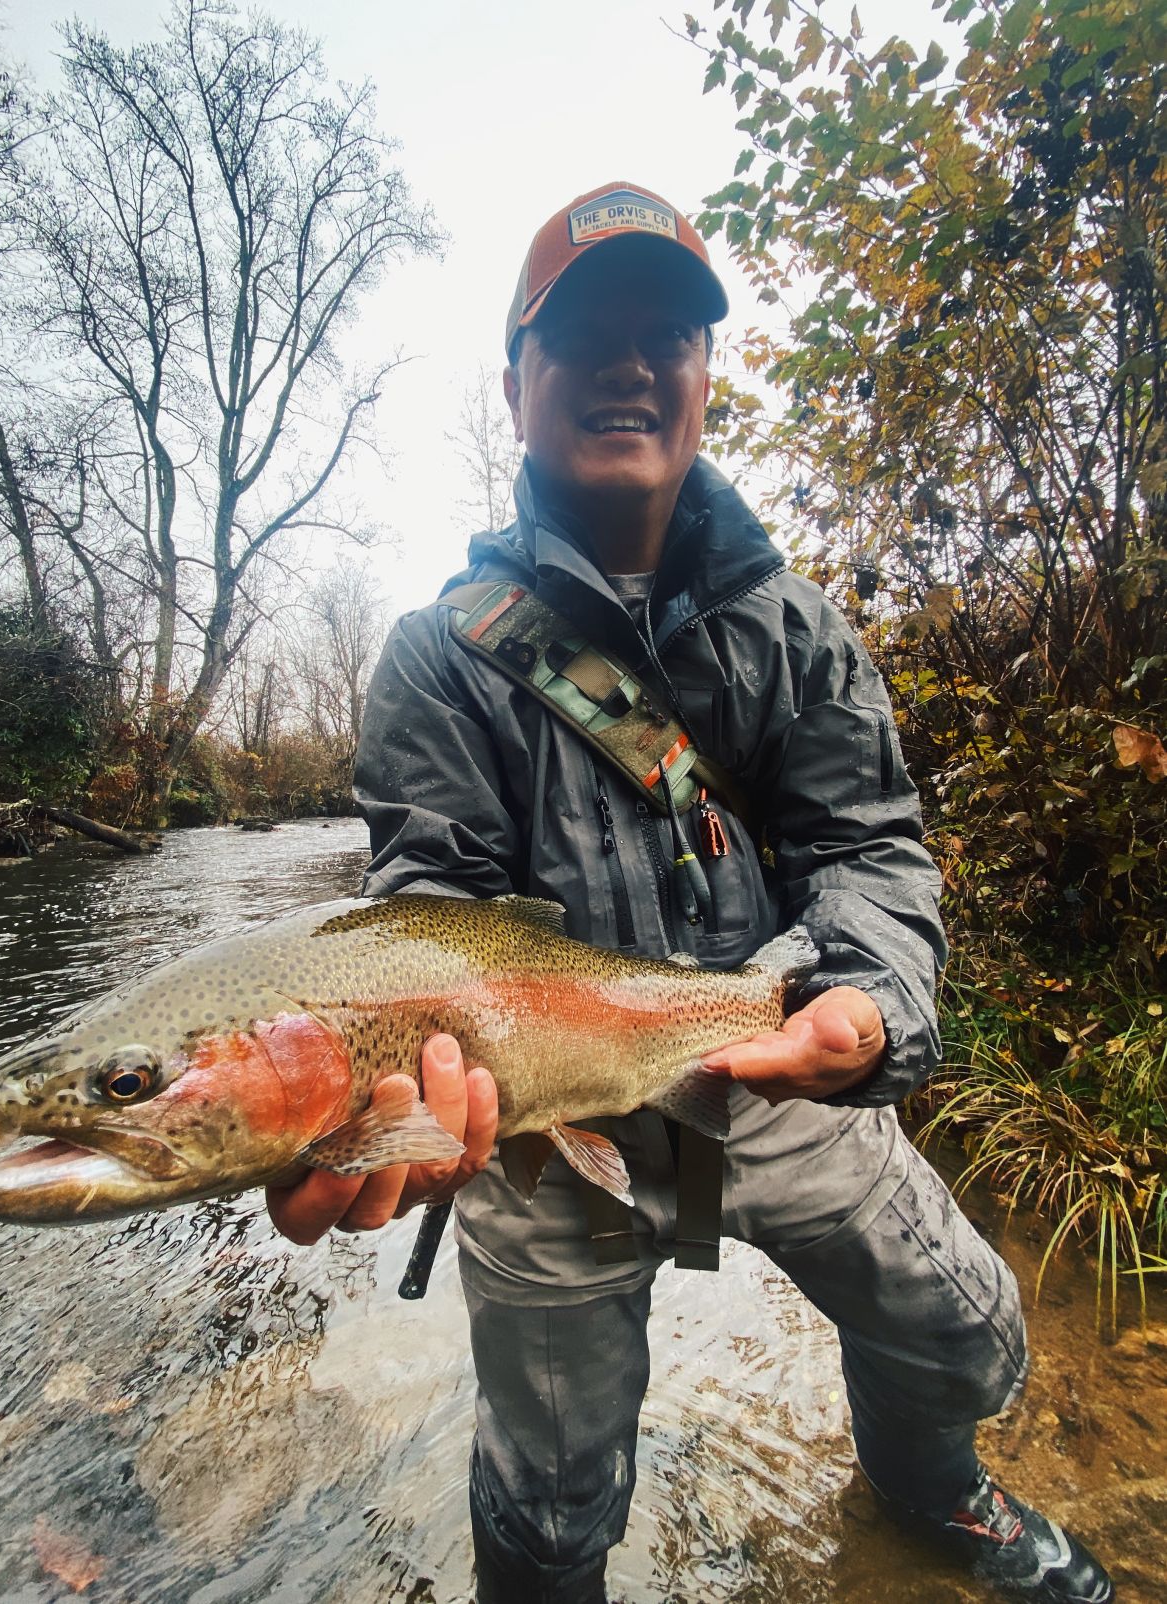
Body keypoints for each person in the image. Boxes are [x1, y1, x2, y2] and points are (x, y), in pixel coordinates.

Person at [267, 182, 1114, 1604]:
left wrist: (868, 999)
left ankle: (928, 1490)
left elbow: (871, 848)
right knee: (549, 1492)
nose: (629, 361)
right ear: (518, 378)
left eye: (668, 331)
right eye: (586, 329)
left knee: (968, 1335)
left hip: (782, 1070)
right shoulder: (438, 657)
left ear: (706, 376)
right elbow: (429, 912)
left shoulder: (799, 633)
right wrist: (388, 1099)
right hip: (546, 1132)